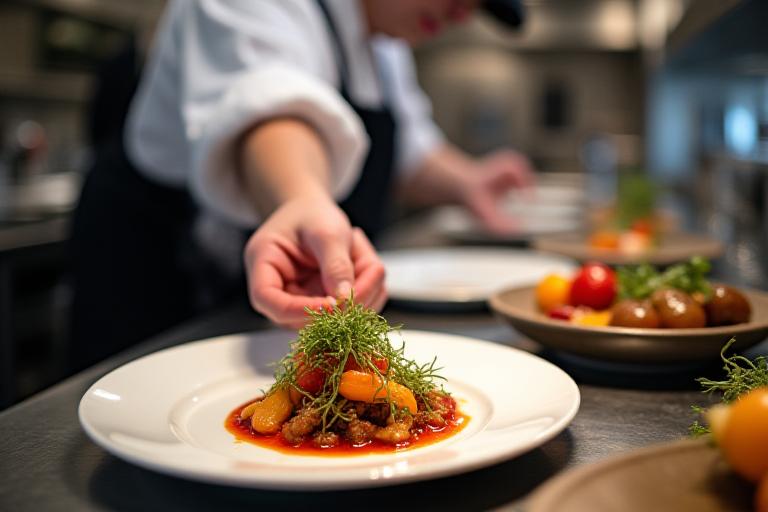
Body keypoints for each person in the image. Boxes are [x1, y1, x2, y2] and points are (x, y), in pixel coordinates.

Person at [70, 0, 531, 367]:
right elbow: (267, 105)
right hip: (156, 262)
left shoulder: (387, 45)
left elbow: (412, 154)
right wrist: (303, 198)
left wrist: (469, 182)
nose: (463, 11)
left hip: (267, 297)